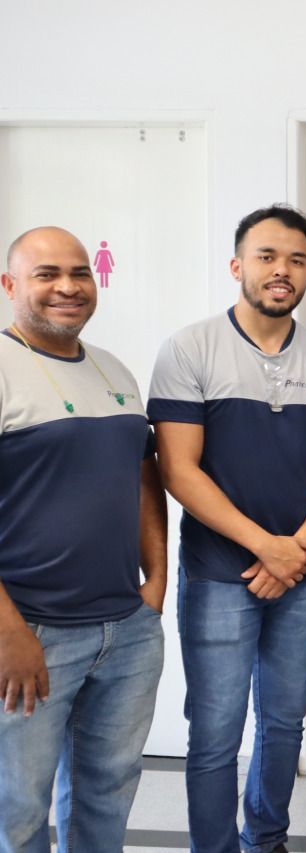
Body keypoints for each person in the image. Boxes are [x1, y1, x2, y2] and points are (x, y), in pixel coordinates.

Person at [149, 205, 306, 853]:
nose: (282, 270)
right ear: (238, 266)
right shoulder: (191, 348)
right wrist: (266, 545)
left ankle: (265, 838)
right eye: (268, 256)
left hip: (298, 576)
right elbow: (178, 471)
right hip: (218, 575)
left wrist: (297, 549)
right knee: (214, 731)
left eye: (296, 259)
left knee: (284, 723)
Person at [0, 226, 165, 852]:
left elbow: (144, 477)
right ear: (11, 285)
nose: (67, 287)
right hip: (31, 632)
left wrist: (156, 582)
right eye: (46, 275)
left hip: (125, 631)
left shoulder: (112, 368)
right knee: (17, 807)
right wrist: (8, 631)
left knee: (109, 789)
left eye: (79, 273)